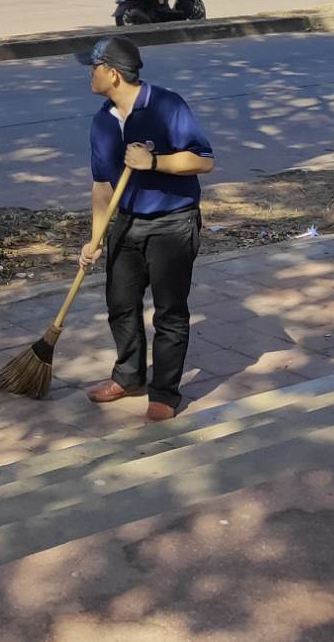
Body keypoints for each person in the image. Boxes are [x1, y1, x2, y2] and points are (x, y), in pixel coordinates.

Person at [76, 37, 215, 421]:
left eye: (94, 67)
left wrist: (154, 162)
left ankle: (165, 392)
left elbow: (203, 161)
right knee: (120, 304)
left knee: (169, 312)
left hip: (173, 222)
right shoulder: (103, 120)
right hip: (127, 222)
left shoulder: (167, 105)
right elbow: (102, 186)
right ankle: (128, 376)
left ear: (113, 74)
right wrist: (95, 238)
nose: (89, 74)